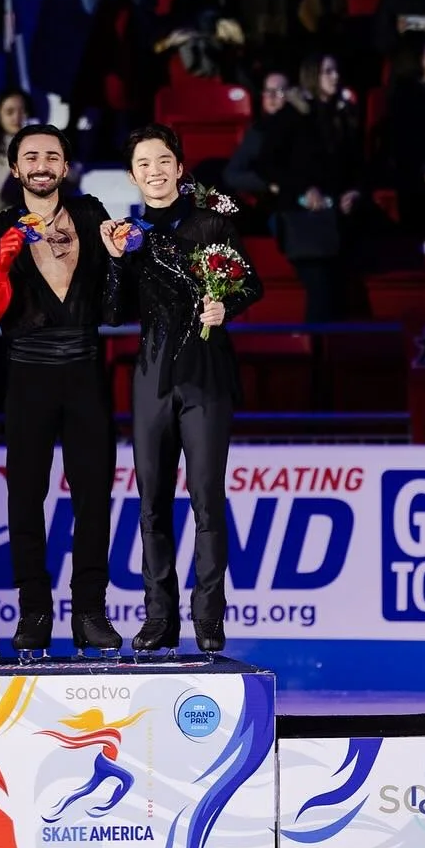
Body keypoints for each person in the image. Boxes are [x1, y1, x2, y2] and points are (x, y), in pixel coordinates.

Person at [99, 124, 264, 656]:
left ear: (179, 166)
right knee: (151, 502)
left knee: (207, 499)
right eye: (144, 163)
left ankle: (209, 619)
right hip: (150, 374)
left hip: (207, 372)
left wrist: (225, 306)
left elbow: (251, 283)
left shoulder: (211, 222)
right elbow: (111, 312)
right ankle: (158, 619)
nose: (155, 171)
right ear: (132, 175)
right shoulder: (126, 233)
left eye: (164, 160)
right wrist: (116, 262)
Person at [0, 123, 124, 661]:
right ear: (15, 169)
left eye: (51, 156)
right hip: (27, 375)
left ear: (65, 167)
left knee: (93, 498)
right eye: (30, 156)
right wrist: (3, 260)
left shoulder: (92, 215)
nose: (41, 164)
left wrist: (122, 255)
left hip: (86, 370)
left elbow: (118, 299)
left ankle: (90, 612)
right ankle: (34, 611)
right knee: (25, 498)